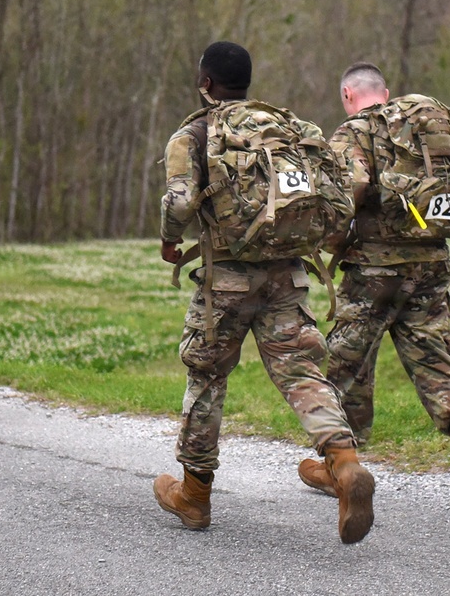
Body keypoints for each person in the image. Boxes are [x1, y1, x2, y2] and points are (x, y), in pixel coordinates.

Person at [154, 41, 374, 543]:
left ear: (206, 83)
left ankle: (194, 494)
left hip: (225, 282)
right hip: (287, 274)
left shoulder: (194, 134)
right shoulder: (287, 128)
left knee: (207, 376)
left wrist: (169, 239)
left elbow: (182, 203)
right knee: (301, 371)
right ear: (247, 82)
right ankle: (344, 462)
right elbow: (339, 187)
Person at [297, 62, 450, 514]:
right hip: (431, 264)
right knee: (434, 357)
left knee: (345, 365)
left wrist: (333, 238)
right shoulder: (427, 130)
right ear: (384, 93)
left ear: (348, 94)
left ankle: (342, 467)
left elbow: (351, 187)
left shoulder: (353, 131)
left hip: (373, 271)